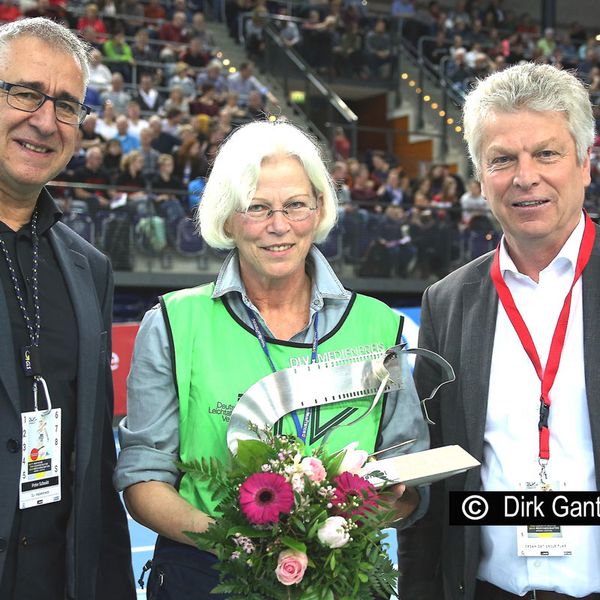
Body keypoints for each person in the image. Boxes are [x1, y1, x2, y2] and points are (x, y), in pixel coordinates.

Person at [115, 120, 430, 597]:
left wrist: (333, 528)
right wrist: (241, 544)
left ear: (319, 208)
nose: (279, 226)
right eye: (257, 208)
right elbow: (144, 478)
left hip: (343, 579)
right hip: (207, 578)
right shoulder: (174, 322)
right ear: (226, 217)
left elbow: (410, 479)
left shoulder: (380, 325)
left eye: (295, 205)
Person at [399, 63, 600, 600]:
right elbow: (432, 474)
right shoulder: (446, 302)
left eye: (547, 154)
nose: (525, 176)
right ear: (480, 178)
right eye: (503, 159)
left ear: (585, 162)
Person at [0, 17, 134, 600]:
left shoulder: (90, 267)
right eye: (25, 92)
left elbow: (94, 459)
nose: (45, 121)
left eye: (67, 105)